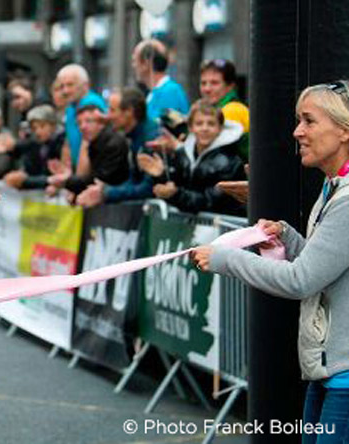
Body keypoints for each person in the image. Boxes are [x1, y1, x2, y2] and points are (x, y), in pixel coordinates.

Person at [191, 80, 349, 444]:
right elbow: (328, 266)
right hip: (331, 369)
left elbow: (301, 280)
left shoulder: (344, 197)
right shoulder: (333, 187)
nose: (297, 132)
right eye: (298, 120)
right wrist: (289, 238)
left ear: (343, 130)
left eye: (309, 121)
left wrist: (226, 259)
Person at [136, 100, 245, 216]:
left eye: (211, 124)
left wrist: (175, 194)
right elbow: (176, 185)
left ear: (220, 128)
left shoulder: (230, 163)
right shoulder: (184, 154)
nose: (205, 128)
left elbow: (208, 202)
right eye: (199, 123)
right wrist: (161, 174)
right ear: (190, 128)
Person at [77, 87, 159, 207]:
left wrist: (107, 193)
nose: (108, 116)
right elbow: (134, 181)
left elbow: (150, 188)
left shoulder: (151, 140)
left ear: (129, 111)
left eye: (112, 110)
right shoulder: (133, 136)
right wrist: (105, 190)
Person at [48, 105, 130, 198]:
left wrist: (66, 181)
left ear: (101, 123)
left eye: (89, 121)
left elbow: (99, 179)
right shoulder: (95, 143)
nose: (83, 127)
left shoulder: (112, 144)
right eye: (79, 123)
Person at [55, 64, 107, 172]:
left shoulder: (92, 104)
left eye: (70, 85)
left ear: (85, 85)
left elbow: (86, 145)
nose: (65, 91)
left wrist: (77, 182)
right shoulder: (71, 106)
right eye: (62, 86)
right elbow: (68, 142)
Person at [3, 104, 64, 190]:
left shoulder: (61, 143)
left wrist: (25, 180)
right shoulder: (36, 143)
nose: (38, 132)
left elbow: (55, 178)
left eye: (42, 126)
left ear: (53, 125)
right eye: (34, 128)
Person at [199, 58, 250, 160]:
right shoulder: (218, 109)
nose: (207, 89)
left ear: (230, 86)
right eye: (203, 83)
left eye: (214, 83)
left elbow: (212, 155)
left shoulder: (232, 110)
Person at [132, 39, 190, 122]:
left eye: (135, 61)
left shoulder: (170, 92)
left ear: (146, 62)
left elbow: (169, 130)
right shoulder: (154, 93)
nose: (134, 66)